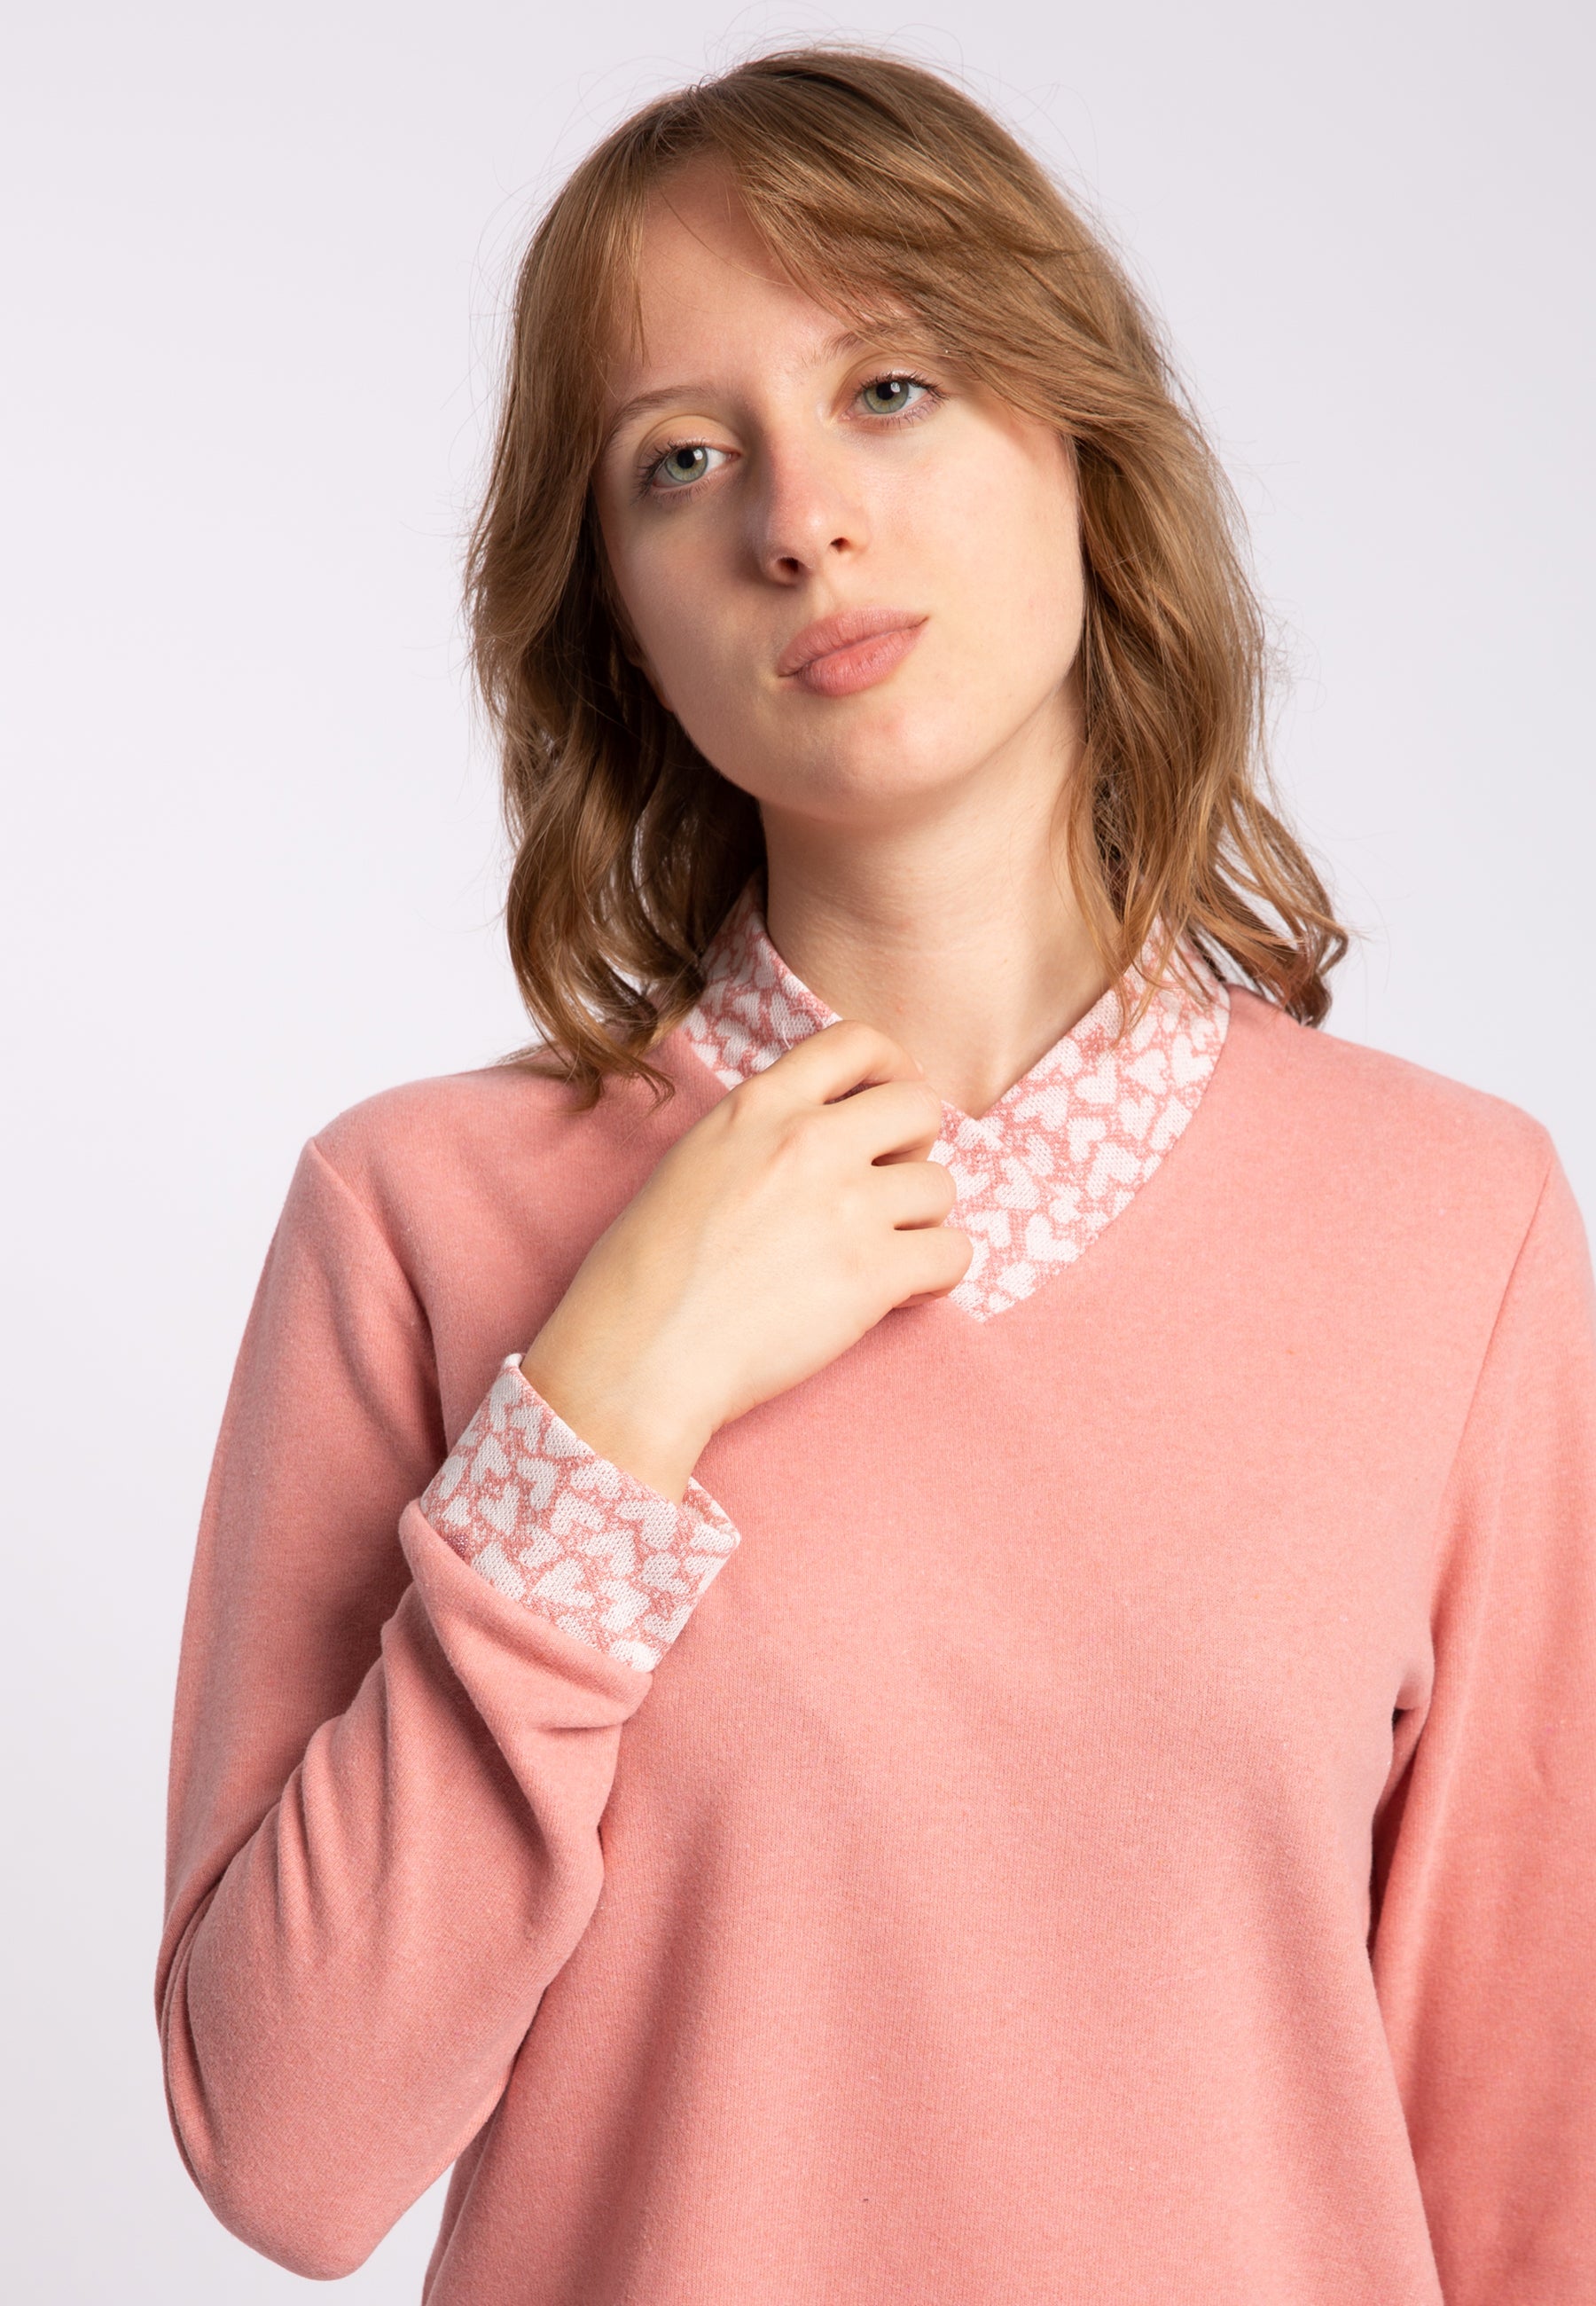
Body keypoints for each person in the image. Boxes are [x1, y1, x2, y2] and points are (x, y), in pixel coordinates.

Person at [157, 46, 1596, 2306]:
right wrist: (597, 1414)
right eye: (684, 458)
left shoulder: (1454, 1224)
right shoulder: (415, 1218)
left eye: (892, 388)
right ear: (617, 610)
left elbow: (1526, 2181)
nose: (801, 519)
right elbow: (286, 2145)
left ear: (1081, 440)